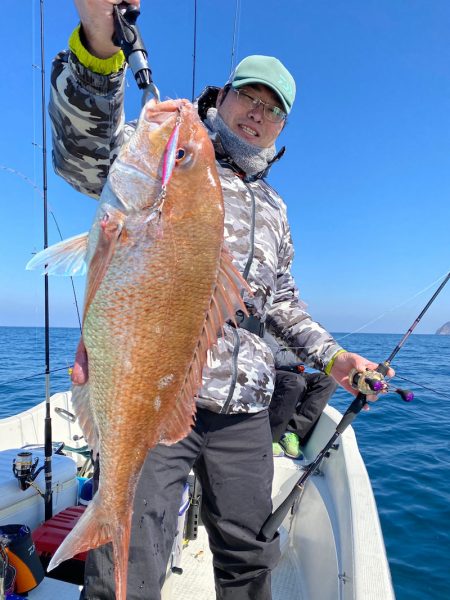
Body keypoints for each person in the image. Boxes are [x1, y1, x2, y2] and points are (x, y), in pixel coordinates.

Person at [50, 2, 393, 598]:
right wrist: (99, 46)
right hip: (156, 391)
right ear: (224, 97)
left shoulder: (278, 211)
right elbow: (87, 149)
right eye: (249, 99)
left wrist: (338, 361)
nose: (257, 115)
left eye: (273, 110)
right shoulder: (167, 153)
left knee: (248, 554)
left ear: (282, 128)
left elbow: (281, 302)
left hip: (246, 411)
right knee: (124, 560)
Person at [269, 362, 338, 458]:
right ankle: (271, 438)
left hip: (295, 372)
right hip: (270, 371)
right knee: (296, 382)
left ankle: (291, 433)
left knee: (328, 382)